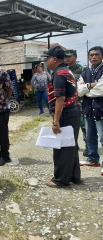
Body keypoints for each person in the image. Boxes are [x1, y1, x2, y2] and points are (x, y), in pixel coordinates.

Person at [42, 45, 81, 187]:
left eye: (47, 59)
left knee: (62, 146)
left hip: (66, 113)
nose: (46, 62)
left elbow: (60, 100)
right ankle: (74, 176)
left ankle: (61, 180)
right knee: (71, 145)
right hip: (74, 112)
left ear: (54, 59)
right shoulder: (67, 71)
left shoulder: (59, 74)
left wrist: (55, 121)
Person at [78, 46, 103, 173]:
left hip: (101, 109)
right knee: (90, 136)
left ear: (102, 56)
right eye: (91, 55)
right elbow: (79, 91)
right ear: (88, 58)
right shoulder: (85, 73)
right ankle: (93, 159)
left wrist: (86, 88)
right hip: (88, 109)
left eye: (97, 54)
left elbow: (101, 90)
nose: (94, 57)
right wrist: (92, 86)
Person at [64, 49, 88, 156]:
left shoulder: (83, 70)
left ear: (76, 57)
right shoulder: (63, 70)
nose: (67, 58)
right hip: (68, 103)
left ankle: (88, 147)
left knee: (84, 125)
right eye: (66, 57)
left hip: (82, 102)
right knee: (71, 126)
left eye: (69, 56)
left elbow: (88, 85)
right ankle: (74, 145)